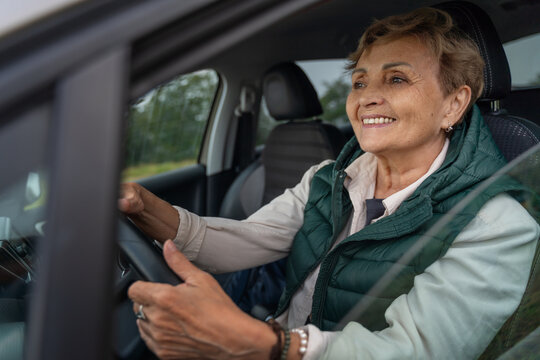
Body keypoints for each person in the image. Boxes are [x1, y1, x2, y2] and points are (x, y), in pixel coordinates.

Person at [121, 7, 539, 360]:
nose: (365, 97)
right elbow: (244, 240)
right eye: (359, 81)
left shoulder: (496, 223)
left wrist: (267, 345)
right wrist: (142, 207)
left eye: (396, 79)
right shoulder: (328, 177)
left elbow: (413, 350)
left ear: (454, 103)